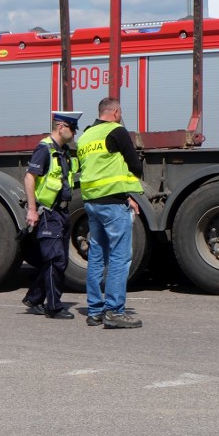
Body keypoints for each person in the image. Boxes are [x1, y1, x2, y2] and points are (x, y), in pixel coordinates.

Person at [76, 97, 144, 329]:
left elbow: (93, 169)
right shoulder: (117, 131)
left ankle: (94, 311)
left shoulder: (85, 136)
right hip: (113, 204)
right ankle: (114, 311)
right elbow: (135, 165)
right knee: (119, 257)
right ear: (115, 112)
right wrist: (128, 193)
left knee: (96, 256)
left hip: (92, 203)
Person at [21, 111, 82, 320]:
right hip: (48, 212)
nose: (74, 134)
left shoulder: (63, 151)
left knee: (60, 261)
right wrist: (31, 209)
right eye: (72, 129)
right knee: (55, 259)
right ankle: (53, 307)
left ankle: (34, 298)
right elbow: (30, 177)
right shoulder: (44, 149)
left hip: (61, 212)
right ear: (61, 127)